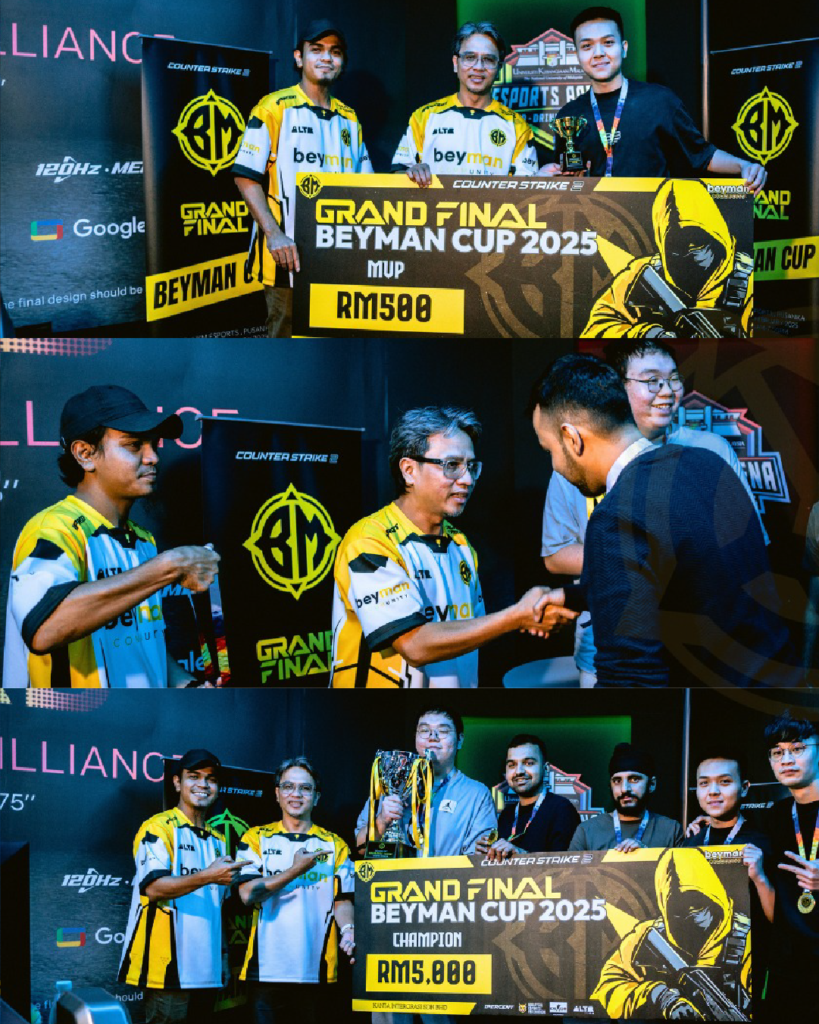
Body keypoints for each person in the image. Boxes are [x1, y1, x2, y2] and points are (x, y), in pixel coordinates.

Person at [530, 353, 797, 686]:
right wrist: (575, 596)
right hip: (773, 683)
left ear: (572, 438)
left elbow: (632, 679)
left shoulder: (616, 516)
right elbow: (694, 577)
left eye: (549, 450)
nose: (555, 465)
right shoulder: (709, 464)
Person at [331, 406, 576, 687]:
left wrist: (533, 614)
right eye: (452, 465)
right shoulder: (369, 541)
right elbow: (414, 646)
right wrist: (517, 617)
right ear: (409, 470)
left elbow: (470, 632)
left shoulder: (460, 545)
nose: (467, 479)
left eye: (471, 466)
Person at [4, 385, 220, 688]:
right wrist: (168, 566)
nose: (153, 457)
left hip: (142, 716)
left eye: (153, 445)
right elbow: (43, 629)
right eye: (134, 445)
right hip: (76, 716)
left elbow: (141, 640)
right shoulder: (53, 530)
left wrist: (188, 685)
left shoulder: (143, 540)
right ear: (85, 454)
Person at [232, 20, 373, 336]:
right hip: (288, 260)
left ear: (342, 61)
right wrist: (274, 234)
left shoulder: (350, 118)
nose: (326, 58)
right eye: (317, 50)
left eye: (335, 52)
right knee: (286, 341)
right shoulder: (273, 108)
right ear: (299, 58)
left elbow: (368, 187)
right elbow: (245, 177)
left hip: (337, 259)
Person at [540, 6, 765, 190]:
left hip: (651, 223)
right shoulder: (569, 115)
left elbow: (702, 155)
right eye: (587, 46)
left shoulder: (660, 101)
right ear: (577, 55)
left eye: (608, 43)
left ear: (624, 48)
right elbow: (565, 179)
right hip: (593, 223)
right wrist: (547, 179)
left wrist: (743, 166)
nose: (598, 53)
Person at [119, 749, 249, 1023]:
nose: (203, 784)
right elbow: (154, 888)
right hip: (168, 972)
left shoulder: (218, 840)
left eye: (211, 779)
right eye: (194, 776)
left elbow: (217, 907)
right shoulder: (157, 828)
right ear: (177, 783)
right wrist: (208, 875)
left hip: (207, 969)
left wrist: (224, 956)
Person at [236, 757, 355, 1024]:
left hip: (316, 971)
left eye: (305, 788)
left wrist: (348, 929)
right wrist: (295, 870)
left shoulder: (334, 844)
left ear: (317, 797)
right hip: (266, 971)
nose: (296, 794)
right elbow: (247, 894)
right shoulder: (255, 838)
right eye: (288, 787)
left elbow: (342, 899)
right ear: (277, 794)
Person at [590, 847, 752, 1019]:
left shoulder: (744, 939)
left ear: (715, 900)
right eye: (677, 906)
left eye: (697, 903)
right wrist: (660, 997)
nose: (689, 914)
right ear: (664, 905)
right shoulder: (647, 936)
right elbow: (608, 987)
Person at [580, 180, 753, 338]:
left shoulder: (747, 282)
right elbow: (596, 330)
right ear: (662, 242)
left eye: (696, 240)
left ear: (716, 240)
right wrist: (650, 335)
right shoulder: (641, 274)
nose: (687, 250)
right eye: (676, 242)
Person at [391, 21, 539, 187]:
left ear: (499, 68)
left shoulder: (517, 126)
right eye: (470, 58)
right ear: (456, 63)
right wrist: (411, 172)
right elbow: (397, 174)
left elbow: (527, 189)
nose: (478, 67)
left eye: (488, 59)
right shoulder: (424, 116)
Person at [355, 705, 497, 858]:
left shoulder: (476, 794)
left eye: (443, 731)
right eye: (424, 730)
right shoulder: (392, 785)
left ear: (460, 740)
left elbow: (479, 858)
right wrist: (382, 821)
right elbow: (361, 849)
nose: (432, 737)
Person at [759, 712, 819, 1018]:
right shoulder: (775, 816)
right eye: (777, 752)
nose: (786, 760)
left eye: (798, 749)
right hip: (787, 968)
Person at [476, 734, 580, 860]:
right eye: (512, 765)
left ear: (546, 769)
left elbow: (567, 865)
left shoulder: (562, 809)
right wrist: (487, 855)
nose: (519, 771)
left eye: (529, 763)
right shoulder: (506, 815)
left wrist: (522, 856)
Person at [569, 743, 683, 851]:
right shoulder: (587, 831)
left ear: (652, 784)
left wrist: (647, 856)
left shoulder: (671, 830)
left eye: (634, 779)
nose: (624, 789)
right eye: (617, 781)